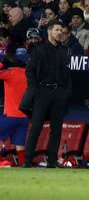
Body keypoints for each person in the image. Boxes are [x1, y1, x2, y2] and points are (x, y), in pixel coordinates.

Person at [23, 20, 72, 168]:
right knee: (36, 128)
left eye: (61, 31)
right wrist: (34, 87)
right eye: (57, 30)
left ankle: (51, 162)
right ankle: (27, 161)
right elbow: (29, 70)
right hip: (42, 92)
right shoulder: (39, 49)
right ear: (49, 31)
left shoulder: (64, 50)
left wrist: (66, 92)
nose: (59, 33)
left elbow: (67, 74)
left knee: (56, 130)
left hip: (59, 93)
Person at [0, 54, 29, 167]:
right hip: (24, 117)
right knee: (20, 143)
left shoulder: (11, 71)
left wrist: (3, 63)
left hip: (10, 115)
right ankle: (23, 164)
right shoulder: (29, 74)